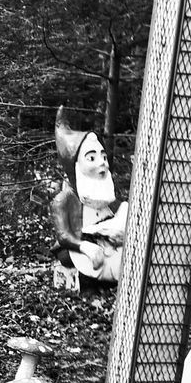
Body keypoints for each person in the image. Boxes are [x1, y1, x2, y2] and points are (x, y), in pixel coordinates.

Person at [49, 107, 128, 283]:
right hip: (80, 250)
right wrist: (85, 247)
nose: (102, 163)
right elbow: (64, 235)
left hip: (110, 245)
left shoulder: (105, 196)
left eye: (104, 157)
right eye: (92, 158)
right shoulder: (64, 199)